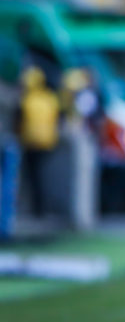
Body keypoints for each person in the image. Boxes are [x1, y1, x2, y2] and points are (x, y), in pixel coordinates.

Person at [14, 67, 61, 217]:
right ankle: (41, 209)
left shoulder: (26, 100)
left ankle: (37, 210)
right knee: (42, 177)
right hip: (48, 143)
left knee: (33, 179)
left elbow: (19, 123)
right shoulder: (50, 98)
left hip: (31, 143)